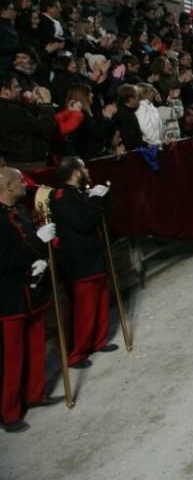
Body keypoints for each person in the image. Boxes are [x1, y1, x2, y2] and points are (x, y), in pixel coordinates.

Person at [0, 166, 61, 433]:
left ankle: (36, 394)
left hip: (33, 291)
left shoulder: (21, 211)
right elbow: (5, 260)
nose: (26, 184)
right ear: (8, 187)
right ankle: (9, 412)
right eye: (20, 181)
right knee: (12, 358)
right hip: (10, 296)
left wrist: (41, 258)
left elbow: (31, 245)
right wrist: (36, 244)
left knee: (36, 345)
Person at [49, 157, 116, 368]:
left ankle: (98, 340)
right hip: (78, 261)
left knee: (100, 300)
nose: (87, 170)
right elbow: (82, 223)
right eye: (83, 167)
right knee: (83, 309)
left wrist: (102, 198)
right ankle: (77, 353)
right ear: (75, 172)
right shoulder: (61, 196)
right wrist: (95, 200)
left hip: (92, 255)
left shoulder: (80, 193)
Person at [0, 72, 56, 170]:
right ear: (5, 90)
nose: (20, 89)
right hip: (28, 165)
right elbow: (47, 127)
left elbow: (23, 122)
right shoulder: (13, 111)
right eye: (16, 87)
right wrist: (47, 105)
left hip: (10, 162)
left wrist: (32, 102)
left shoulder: (10, 109)